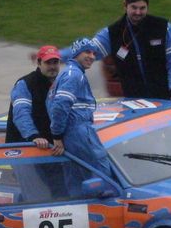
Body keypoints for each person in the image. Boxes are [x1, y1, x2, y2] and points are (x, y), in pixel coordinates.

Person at [60, 0, 171, 101]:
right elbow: (86, 49)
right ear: (125, 6)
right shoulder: (112, 33)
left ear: (148, 7)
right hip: (136, 105)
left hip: (167, 100)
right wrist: (56, 56)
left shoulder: (163, 28)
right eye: (134, 7)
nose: (138, 12)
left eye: (142, 8)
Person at [48, 37, 118, 184]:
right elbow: (60, 105)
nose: (92, 57)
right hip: (79, 132)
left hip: (72, 133)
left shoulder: (69, 73)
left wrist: (58, 134)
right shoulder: (74, 75)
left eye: (94, 53)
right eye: (87, 52)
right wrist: (57, 135)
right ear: (76, 53)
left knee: (76, 177)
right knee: (104, 177)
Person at [6, 45, 64, 155]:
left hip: (51, 150)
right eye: (48, 63)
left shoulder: (62, 84)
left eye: (55, 62)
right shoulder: (25, 84)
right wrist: (34, 136)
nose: (52, 66)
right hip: (24, 151)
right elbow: (21, 113)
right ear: (39, 63)